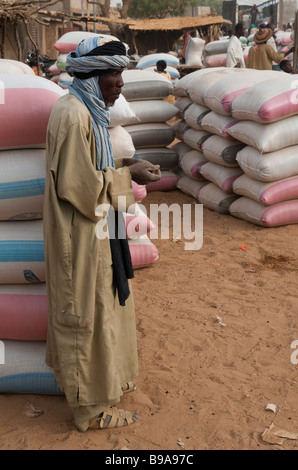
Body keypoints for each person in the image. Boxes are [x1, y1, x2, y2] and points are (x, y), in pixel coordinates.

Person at [43, 36, 161, 433]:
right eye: (114, 72)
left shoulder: (87, 110)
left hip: (99, 228)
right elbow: (79, 187)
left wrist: (126, 162)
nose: (121, 82)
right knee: (86, 316)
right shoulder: (73, 114)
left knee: (107, 306)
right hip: (79, 234)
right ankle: (90, 412)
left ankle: (108, 384)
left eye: (122, 72)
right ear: (92, 75)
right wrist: (128, 175)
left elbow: (91, 165)